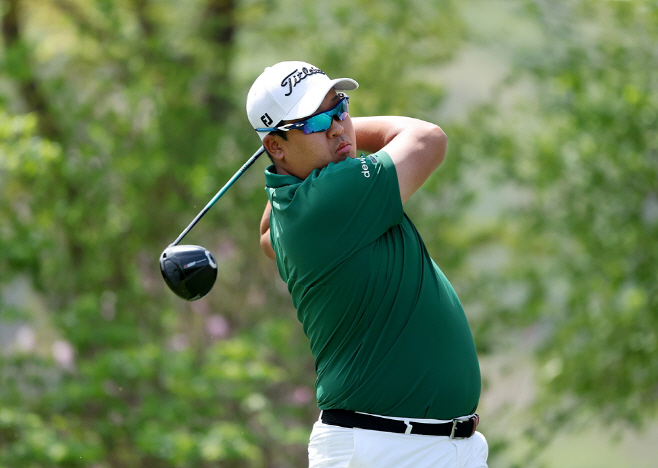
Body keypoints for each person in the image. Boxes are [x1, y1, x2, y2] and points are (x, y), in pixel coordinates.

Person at [246, 61, 488, 468]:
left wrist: (316, 132)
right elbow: (427, 139)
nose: (337, 127)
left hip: (426, 445)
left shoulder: (292, 210)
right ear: (276, 146)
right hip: (384, 448)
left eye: (340, 108)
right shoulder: (333, 196)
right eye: (315, 121)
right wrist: (342, 131)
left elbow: (267, 236)